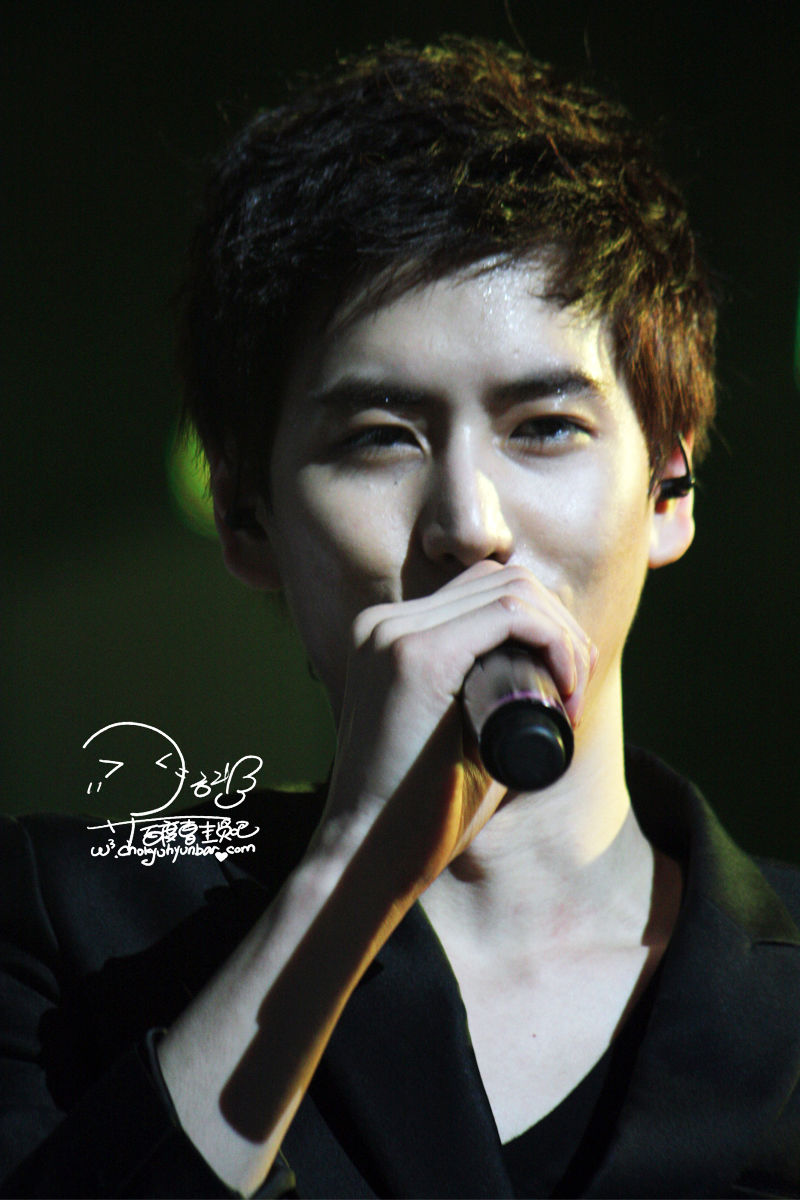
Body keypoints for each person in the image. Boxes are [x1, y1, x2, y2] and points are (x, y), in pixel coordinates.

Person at [1, 36, 798, 1199]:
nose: (469, 525)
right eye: (379, 439)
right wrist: (348, 876)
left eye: (545, 428)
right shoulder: (79, 930)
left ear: (667, 489)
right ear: (245, 518)